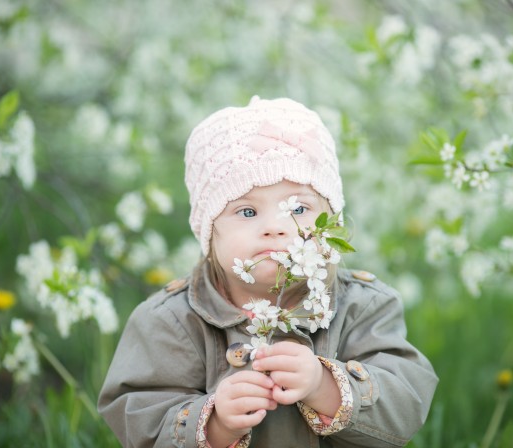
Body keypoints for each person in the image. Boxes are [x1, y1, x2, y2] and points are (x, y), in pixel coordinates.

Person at [98, 96, 438, 447]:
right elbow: (138, 416)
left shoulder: (361, 306)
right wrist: (215, 424)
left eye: (299, 208)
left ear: (331, 221)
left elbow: (406, 402)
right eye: (247, 212)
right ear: (209, 231)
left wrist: (324, 386)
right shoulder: (171, 321)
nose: (276, 227)